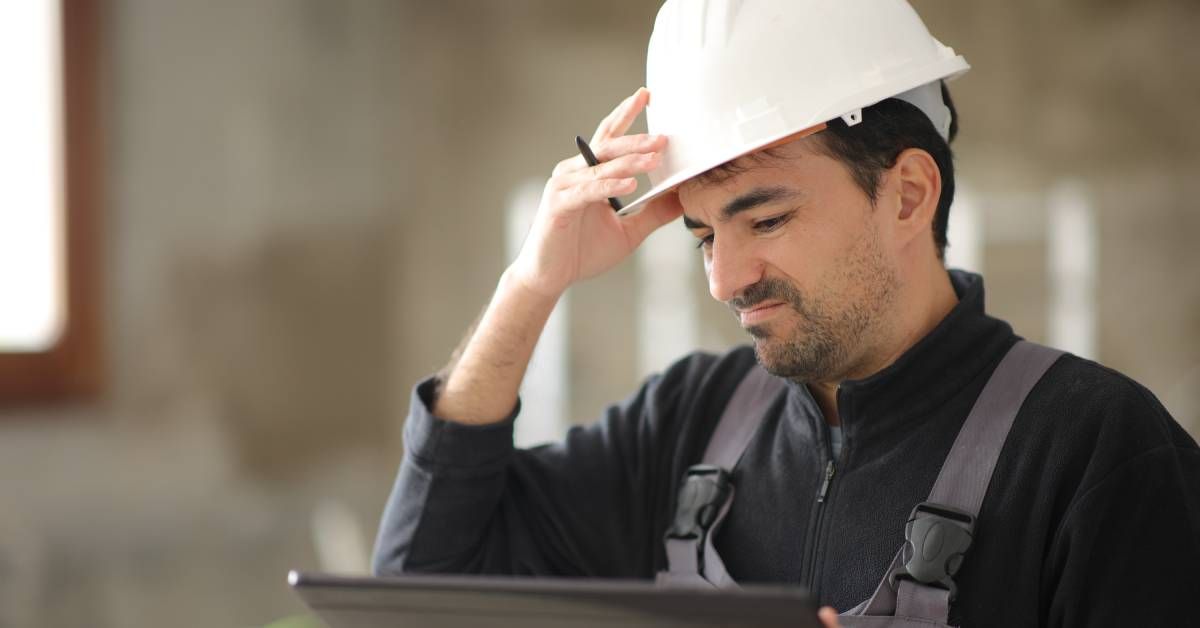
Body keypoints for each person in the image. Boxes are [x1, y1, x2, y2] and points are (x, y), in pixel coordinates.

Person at [372, 1, 1200, 626]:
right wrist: (531, 283)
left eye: (765, 220)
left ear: (908, 194)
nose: (724, 280)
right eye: (702, 236)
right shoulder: (688, 423)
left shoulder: (1099, 453)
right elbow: (419, 585)